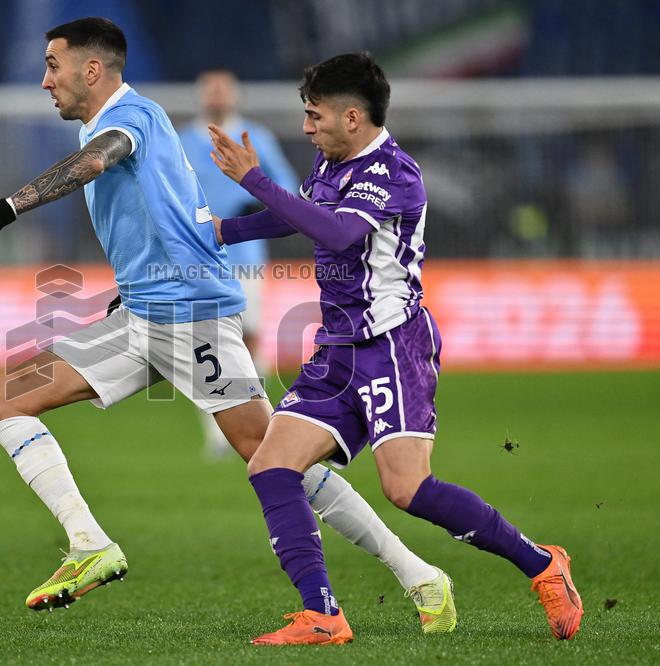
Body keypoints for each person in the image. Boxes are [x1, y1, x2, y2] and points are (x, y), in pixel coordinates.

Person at [0, 18, 454, 629]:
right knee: (3, 400)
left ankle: (416, 574)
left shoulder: (134, 118)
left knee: (271, 455)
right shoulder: (122, 120)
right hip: (144, 312)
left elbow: (99, 160)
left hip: (191, 315)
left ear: (90, 70)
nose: (46, 81)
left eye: (53, 66)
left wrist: (5, 208)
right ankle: (90, 546)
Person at [209, 52, 582, 645]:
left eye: (314, 116)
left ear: (351, 117)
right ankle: (323, 615)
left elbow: (336, 231)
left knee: (407, 489)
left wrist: (253, 181)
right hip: (337, 349)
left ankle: (542, 564)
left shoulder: (393, 173)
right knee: (272, 466)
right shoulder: (331, 163)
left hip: (392, 347)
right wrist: (220, 230)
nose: (307, 127)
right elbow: (301, 217)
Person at [178, 69, 297, 458]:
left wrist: (260, 201)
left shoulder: (256, 138)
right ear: (201, 96)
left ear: (233, 95)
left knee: (249, 336)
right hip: (198, 256)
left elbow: (289, 189)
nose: (216, 96)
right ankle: (217, 432)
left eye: (222, 89)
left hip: (246, 255)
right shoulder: (180, 142)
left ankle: (259, 421)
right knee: (204, 341)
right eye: (209, 89)